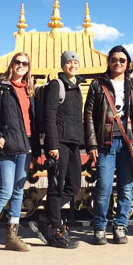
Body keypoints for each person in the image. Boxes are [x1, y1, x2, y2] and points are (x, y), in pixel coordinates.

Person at [84, 45, 133, 245]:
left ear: (127, 63)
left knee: (126, 186)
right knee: (103, 186)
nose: (118, 63)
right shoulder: (98, 85)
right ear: (109, 62)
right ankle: (99, 227)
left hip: (129, 142)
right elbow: (88, 115)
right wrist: (91, 144)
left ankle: (121, 225)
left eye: (122, 60)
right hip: (106, 142)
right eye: (114, 59)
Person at [0, 52, 39, 258]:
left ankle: (12, 236)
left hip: (26, 145)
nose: (21, 66)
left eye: (25, 64)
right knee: (5, 191)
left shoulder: (30, 90)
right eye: (17, 62)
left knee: (19, 191)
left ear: (29, 68)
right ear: (11, 65)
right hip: (7, 146)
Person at [41, 51, 85, 249]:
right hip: (59, 143)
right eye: (69, 62)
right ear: (63, 65)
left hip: (74, 142)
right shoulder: (56, 85)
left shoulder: (77, 87)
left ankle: (47, 216)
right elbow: (49, 117)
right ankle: (57, 231)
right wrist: (52, 145)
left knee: (74, 185)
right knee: (56, 187)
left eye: (75, 62)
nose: (72, 65)